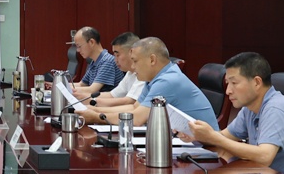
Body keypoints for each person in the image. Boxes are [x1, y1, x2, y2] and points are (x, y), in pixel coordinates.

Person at [181, 52, 284, 174]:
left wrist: (213, 137)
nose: (228, 91)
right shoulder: (250, 109)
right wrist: (197, 135)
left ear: (257, 82)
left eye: (234, 83)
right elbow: (224, 136)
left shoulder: (276, 108)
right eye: (227, 84)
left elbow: (265, 156)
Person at [76, 37, 218, 129]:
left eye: (135, 61)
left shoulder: (168, 80)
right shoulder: (153, 78)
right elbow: (134, 107)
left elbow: (137, 119)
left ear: (152, 60)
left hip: (204, 149)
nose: (133, 67)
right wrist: (94, 110)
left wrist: (96, 116)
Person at [74, 32, 144, 117]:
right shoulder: (129, 73)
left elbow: (130, 101)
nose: (115, 60)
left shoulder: (143, 74)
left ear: (131, 52)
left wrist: (93, 103)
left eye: (117, 55)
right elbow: (112, 95)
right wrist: (83, 97)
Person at [71, 26, 126, 98]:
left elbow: (92, 90)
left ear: (91, 42)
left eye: (79, 46)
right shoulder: (94, 62)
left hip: (108, 102)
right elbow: (81, 84)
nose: (78, 50)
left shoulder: (107, 61)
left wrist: (66, 89)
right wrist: (59, 85)